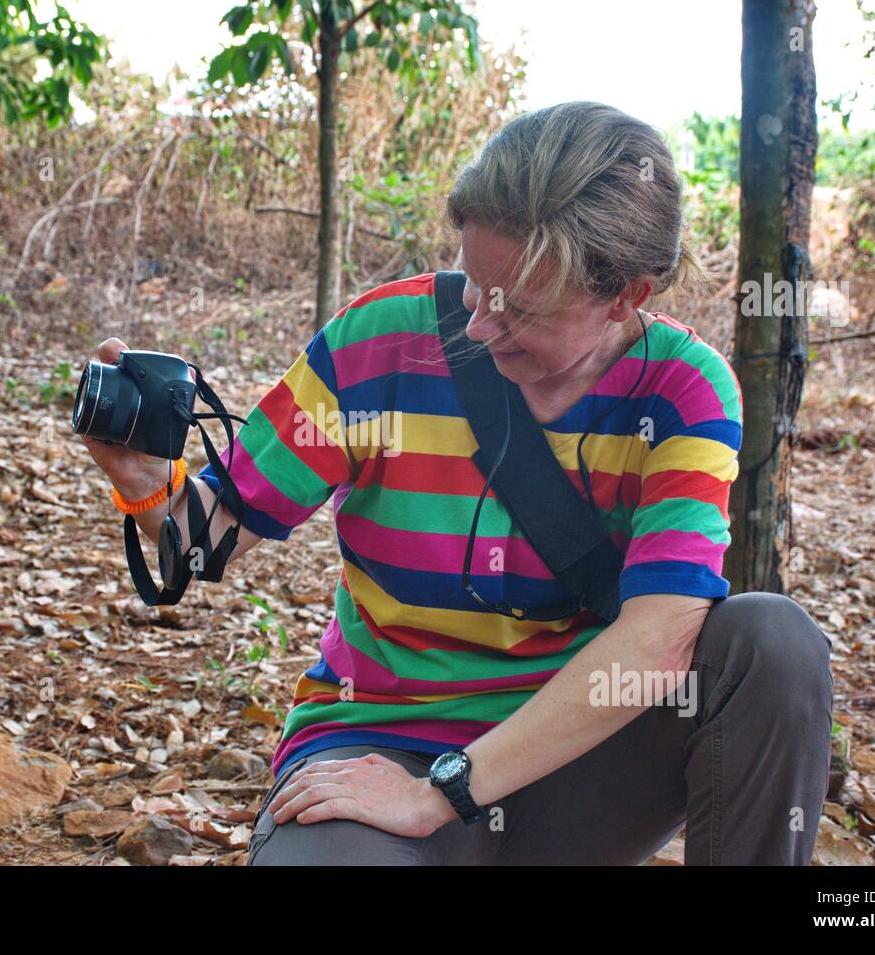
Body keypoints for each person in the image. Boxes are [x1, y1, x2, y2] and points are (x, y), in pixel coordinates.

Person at [80, 101, 833, 865]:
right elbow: (214, 533)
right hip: (382, 747)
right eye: (475, 286)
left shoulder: (684, 391)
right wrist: (146, 481)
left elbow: (658, 643)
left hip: (573, 760)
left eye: (521, 311)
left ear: (627, 296)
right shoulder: (382, 342)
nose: (477, 328)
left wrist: (442, 793)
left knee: (773, 644)